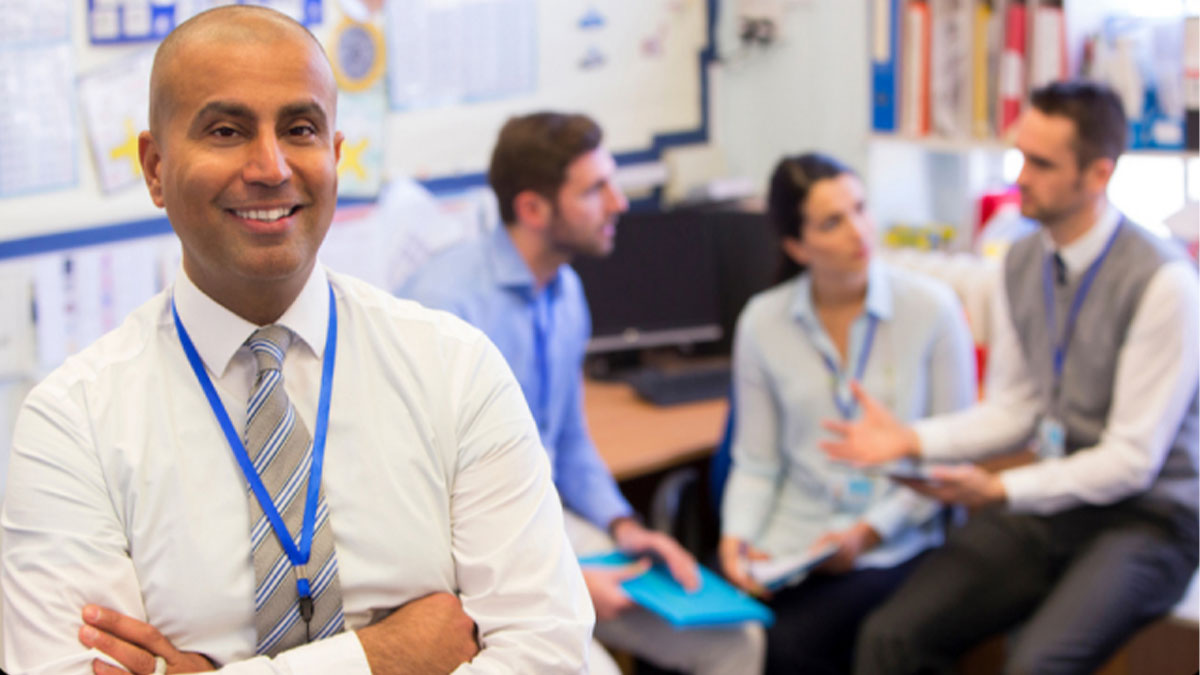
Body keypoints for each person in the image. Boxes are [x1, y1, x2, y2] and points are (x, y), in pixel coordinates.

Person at [2, 7, 593, 673]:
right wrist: (385, 655)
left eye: (300, 128)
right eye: (225, 130)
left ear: (335, 156)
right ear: (155, 167)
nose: (270, 165)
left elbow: (548, 651)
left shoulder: (456, 370)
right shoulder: (71, 422)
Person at [823, 80, 1199, 674]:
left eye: (1042, 164)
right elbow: (1016, 408)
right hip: (1053, 499)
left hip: (1147, 518)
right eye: (1020, 154)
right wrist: (912, 441)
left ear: (1099, 175)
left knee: (1034, 664)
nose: (1020, 176)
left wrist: (999, 490)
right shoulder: (1021, 261)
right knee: (890, 635)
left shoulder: (1164, 282)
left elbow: (1132, 460)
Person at [400, 111, 765, 675]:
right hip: (474, 554)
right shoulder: (446, 308)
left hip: (553, 525)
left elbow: (568, 441)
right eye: (596, 190)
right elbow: (432, 502)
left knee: (735, 641)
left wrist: (626, 525)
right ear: (532, 209)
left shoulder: (564, 290)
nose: (619, 203)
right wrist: (563, 578)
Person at [715, 153, 977, 674]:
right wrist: (735, 540)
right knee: (704, 635)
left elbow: (950, 452)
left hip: (892, 540)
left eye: (861, 209)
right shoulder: (763, 321)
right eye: (832, 222)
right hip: (789, 541)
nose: (858, 231)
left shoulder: (932, 308)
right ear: (796, 245)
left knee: (789, 647)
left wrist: (867, 534)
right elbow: (756, 460)